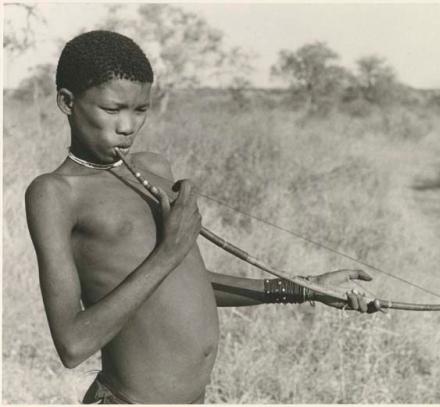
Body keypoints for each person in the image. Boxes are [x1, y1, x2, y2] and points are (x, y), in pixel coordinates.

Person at [25, 30, 379, 404]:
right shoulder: (55, 193)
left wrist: (307, 288)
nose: (128, 126)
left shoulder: (154, 168)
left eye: (140, 109)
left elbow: (185, 284)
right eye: (112, 110)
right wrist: (170, 250)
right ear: (67, 101)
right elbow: (72, 344)